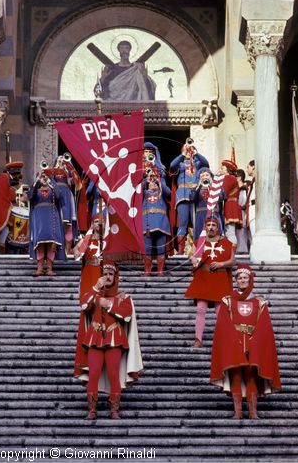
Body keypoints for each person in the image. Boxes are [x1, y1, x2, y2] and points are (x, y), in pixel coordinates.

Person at [210, 264, 281, 419]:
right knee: (235, 376)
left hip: (252, 343)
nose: (242, 280)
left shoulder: (259, 302)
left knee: (250, 377)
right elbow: (223, 323)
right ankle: (238, 413)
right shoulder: (227, 301)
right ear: (236, 280)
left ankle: (253, 413)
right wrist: (234, 341)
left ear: (250, 280)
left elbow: (264, 325)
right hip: (234, 344)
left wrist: (254, 341)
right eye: (239, 278)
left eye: (245, 278)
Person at [76, 261, 143, 420]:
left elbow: (126, 315)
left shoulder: (123, 297)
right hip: (94, 338)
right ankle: (92, 410)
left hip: (114, 339)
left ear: (115, 277)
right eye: (105, 274)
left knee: (114, 374)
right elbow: (84, 304)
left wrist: (109, 305)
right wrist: (95, 288)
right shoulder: (94, 295)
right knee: (93, 374)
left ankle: (114, 410)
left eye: (110, 274)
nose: (107, 277)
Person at [185, 216, 235, 348]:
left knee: (220, 312)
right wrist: (193, 259)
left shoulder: (227, 243)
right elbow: (192, 255)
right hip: (203, 278)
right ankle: (198, 339)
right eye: (208, 225)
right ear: (205, 227)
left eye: (213, 225)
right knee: (201, 309)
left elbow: (232, 261)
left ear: (218, 227)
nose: (211, 227)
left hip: (219, 279)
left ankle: (222, 339)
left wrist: (221, 263)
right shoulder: (200, 242)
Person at [73, 216, 103, 381]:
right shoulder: (87, 239)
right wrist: (86, 238)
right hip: (88, 276)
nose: (99, 224)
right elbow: (76, 255)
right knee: (88, 310)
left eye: (101, 221)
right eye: (96, 221)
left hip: (102, 276)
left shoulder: (108, 241)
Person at [170, 141, 210, 254]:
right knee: (183, 222)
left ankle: (198, 247)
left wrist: (196, 153)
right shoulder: (180, 164)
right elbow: (172, 165)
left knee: (196, 222)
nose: (188, 151)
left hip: (196, 195)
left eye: (189, 149)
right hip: (182, 195)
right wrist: (183, 154)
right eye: (186, 149)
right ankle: (181, 250)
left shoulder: (197, 163)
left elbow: (206, 163)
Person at [28, 172, 66, 276]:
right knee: (39, 242)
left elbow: (59, 196)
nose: (44, 178)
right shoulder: (35, 189)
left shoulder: (53, 189)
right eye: (42, 177)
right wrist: (37, 182)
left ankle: (49, 268)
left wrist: (51, 182)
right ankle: (39, 268)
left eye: (46, 176)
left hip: (51, 215)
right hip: (39, 217)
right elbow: (30, 196)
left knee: (51, 242)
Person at [142, 142, 170, 275]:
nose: (151, 179)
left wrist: (159, 181)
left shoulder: (160, 181)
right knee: (147, 247)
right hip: (146, 220)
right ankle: (147, 271)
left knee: (161, 247)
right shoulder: (143, 185)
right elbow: (136, 194)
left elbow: (168, 193)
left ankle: (160, 271)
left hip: (161, 219)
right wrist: (144, 181)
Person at [50, 155, 81, 255]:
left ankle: (67, 249)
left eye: (63, 159)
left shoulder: (69, 171)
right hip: (56, 196)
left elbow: (77, 183)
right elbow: (49, 181)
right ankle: (55, 249)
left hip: (67, 196)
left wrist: (70, 167)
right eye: (59, 160)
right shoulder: (52, 171)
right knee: (56, 222)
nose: (61, 161)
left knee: (68, 223)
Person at [0, 161, 23, 254]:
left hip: (0, 210)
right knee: (2, 232)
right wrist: (15, 190)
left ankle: (0, 251)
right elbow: (4, 196)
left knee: (5, 231)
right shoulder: (3, 178)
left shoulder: (5, 178)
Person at [190, 167, 224, 242]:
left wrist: (213, 184)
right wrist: (198, 186)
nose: (205, 177)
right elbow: (192, 198)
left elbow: (221, 197)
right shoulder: (196, 188)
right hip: (201, 216)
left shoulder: (216, 187)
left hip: (213, 214)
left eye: (207, 175)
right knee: (200, 237)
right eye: (202, 176)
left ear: (211, 176)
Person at [220, 159, 243, 246]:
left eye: (223, 168)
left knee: (230, 232)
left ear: (228, 170)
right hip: (231, 205)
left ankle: (231, 254)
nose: (221, 170)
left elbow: (222, 192)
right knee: (229, 232)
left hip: (230, 207)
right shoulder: (232, 178)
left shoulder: (228, 178)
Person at [235, 169, 249, 254]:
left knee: (241, 230)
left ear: (239, 178)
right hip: (237, 211)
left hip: (241, 211)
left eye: (236, 176)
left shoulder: (243, 188)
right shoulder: (237, 188)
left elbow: (243, 201)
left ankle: (243, 250)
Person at [246, 160, 256, 244]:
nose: (247, 170)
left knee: (255, 236)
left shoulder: (258, 179)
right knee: (252, 238)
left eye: (248, 167)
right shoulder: (252, 181)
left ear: (253, 167)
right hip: (251, 209)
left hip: (255, 208)